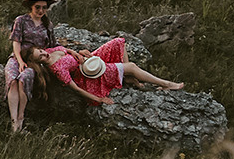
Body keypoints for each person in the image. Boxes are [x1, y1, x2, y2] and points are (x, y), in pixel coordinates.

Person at [39, 36, 185, 107]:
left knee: (118, 42)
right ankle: (166, 83)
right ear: (40, 62)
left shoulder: (50, 51)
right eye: (41, 57)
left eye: (40, 51)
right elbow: (76, 89)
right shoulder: (57, 70)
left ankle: (125, 76)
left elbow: (66, 50)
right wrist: (99, 99)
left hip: (86, 61)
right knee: (132, 67)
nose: (43, 54)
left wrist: (78, 53)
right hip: (87, 75)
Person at [6, 0, 56, 133]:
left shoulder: (47, 25)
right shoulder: (21, 20)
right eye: (37, 7)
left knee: (25, 77)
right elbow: (16, 42)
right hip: (18, 57)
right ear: (31, 7)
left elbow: (53, 45)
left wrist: (71, 52)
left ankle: (21, 117)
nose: (41, 10)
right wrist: (20, 61)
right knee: (13, 80)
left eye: (44, 8)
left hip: (35, 61)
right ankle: (14, 122)